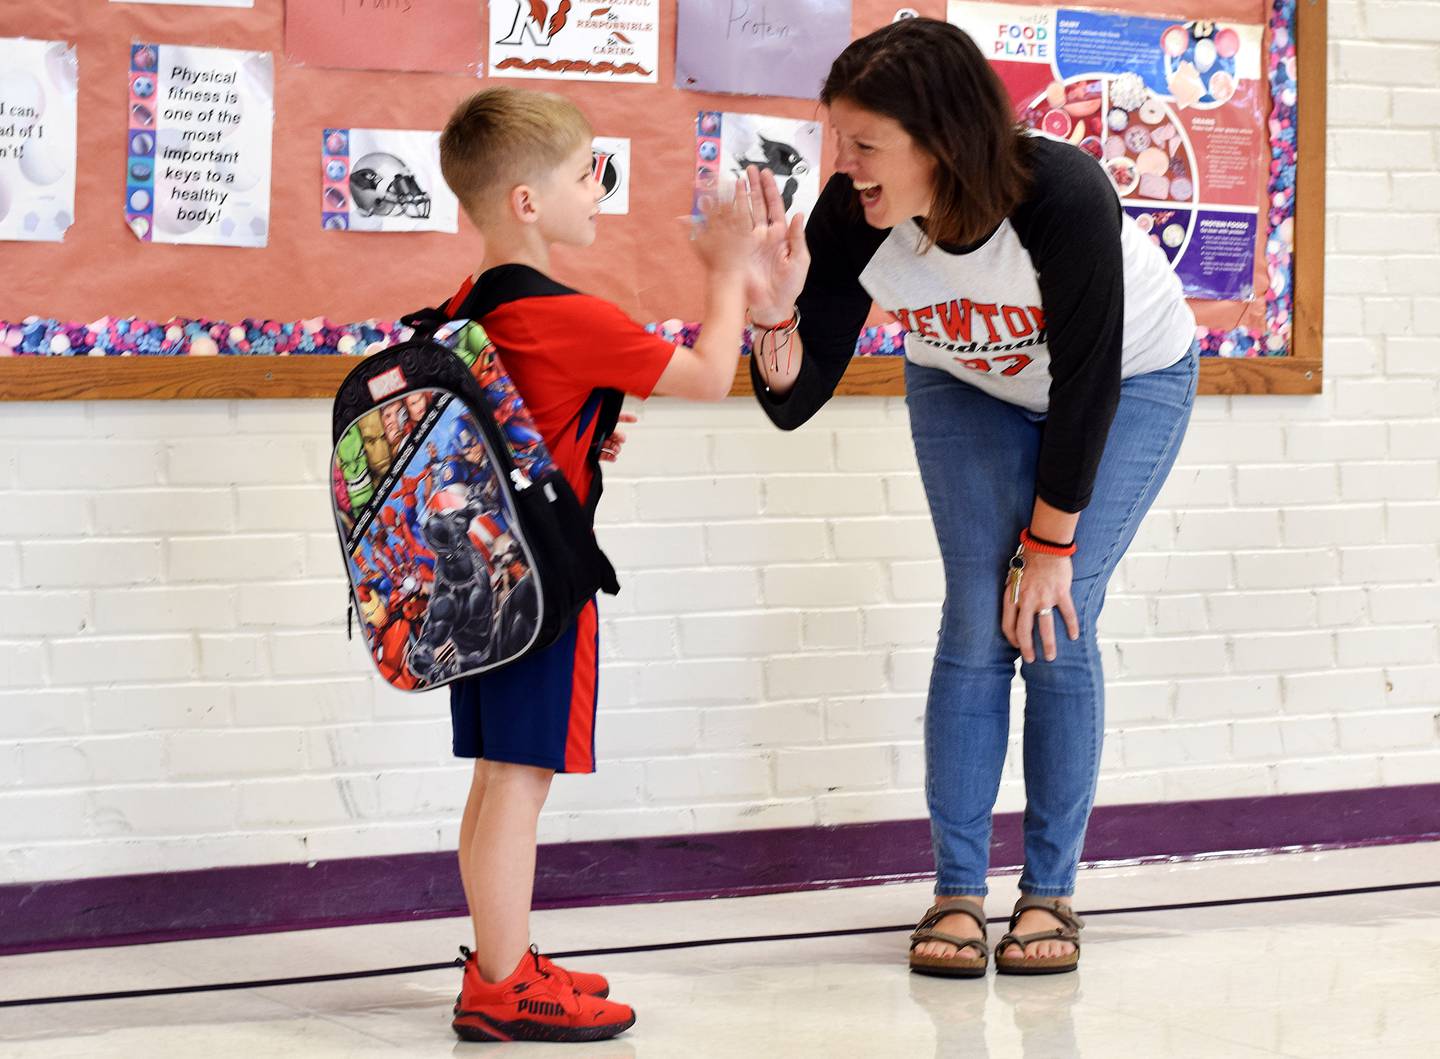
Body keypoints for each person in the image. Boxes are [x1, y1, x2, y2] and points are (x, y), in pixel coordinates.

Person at [743, 18, 1199, 976]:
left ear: (940, 140)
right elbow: (795, 396)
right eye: (839, 139)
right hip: (966, 383)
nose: (845, 163)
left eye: (866, 144)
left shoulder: (1061, 196)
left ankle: (1050, 892)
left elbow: (1087, 388)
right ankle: (957, 890)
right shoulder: (850, 216)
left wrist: (1050, 547)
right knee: (973, 616)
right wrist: (775, 309)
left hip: (1132, 379)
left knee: (1052, 616)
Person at [436, 86, 767, 1041]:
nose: (600, 190)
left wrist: (580, 430)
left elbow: (514, 418)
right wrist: (727, 271)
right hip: (542, 584)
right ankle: (501, 985)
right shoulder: (561, 309)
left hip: (481, 581)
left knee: (498, 775)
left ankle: (501, 957)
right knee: (519, 777)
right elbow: (708, 375)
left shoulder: (475, 299)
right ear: (526, 203)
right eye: (587, 174)